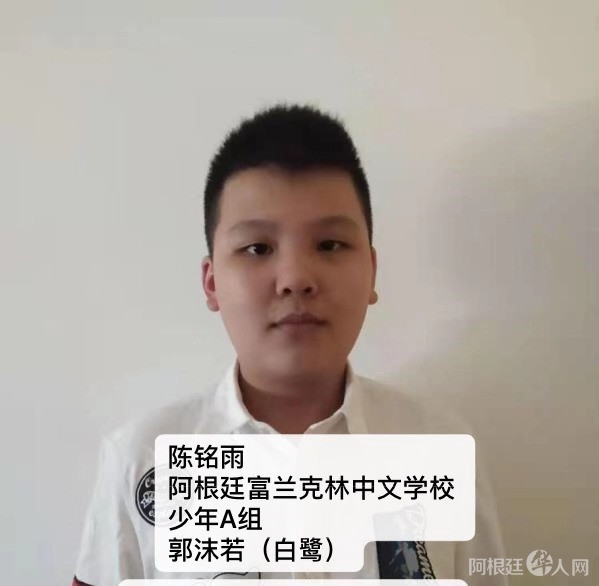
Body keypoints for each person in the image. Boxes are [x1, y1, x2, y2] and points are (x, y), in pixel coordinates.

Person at [73, 104, 507, 585]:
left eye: (330, 245)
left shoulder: (442, 449)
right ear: (212, 283)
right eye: (257, 248)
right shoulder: (140, 460)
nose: (296, 278)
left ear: (372, 272)